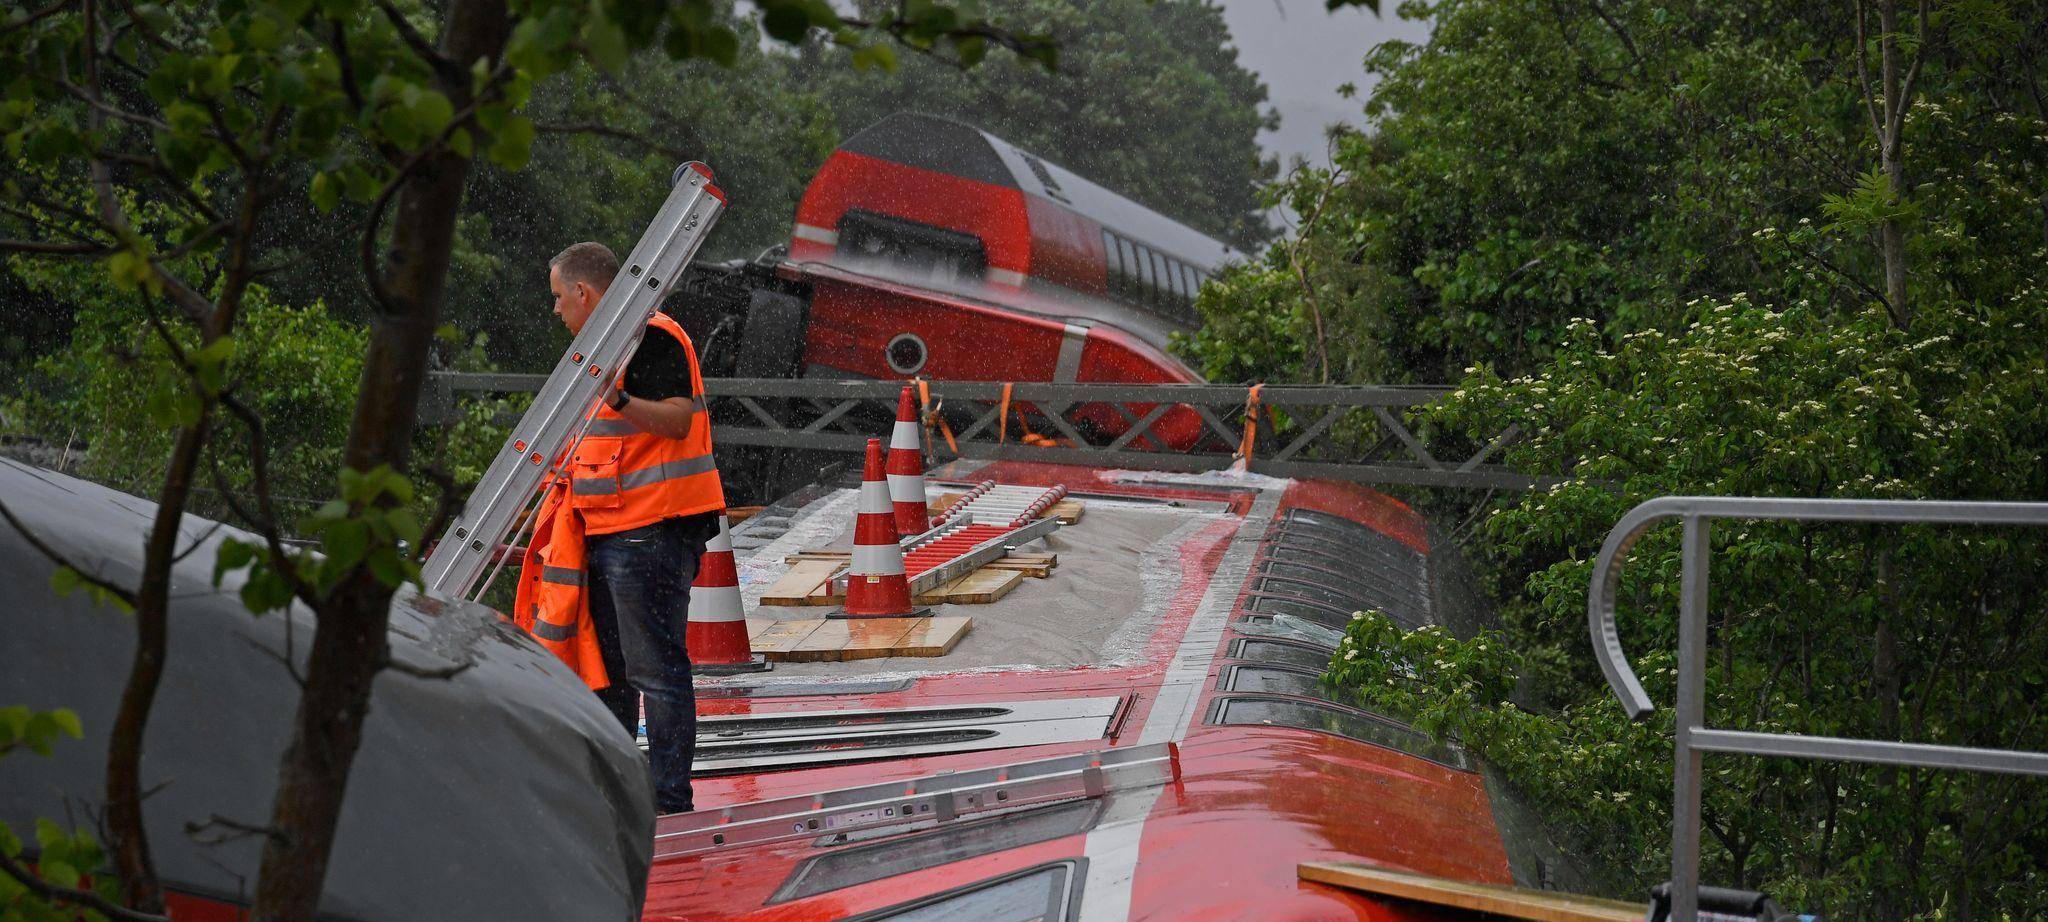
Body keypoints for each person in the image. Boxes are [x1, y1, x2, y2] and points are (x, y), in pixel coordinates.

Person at [512, 241, 723, 814]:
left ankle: (666, 798)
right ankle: (626, 791)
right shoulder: (603, 349)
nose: (556, 311)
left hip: (650, 529)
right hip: (614, 530)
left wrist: (622, 398)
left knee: (654, 668)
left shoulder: (646, 337)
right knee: (615, 671)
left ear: (585, 293)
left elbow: (678, 421)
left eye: (559, 297)